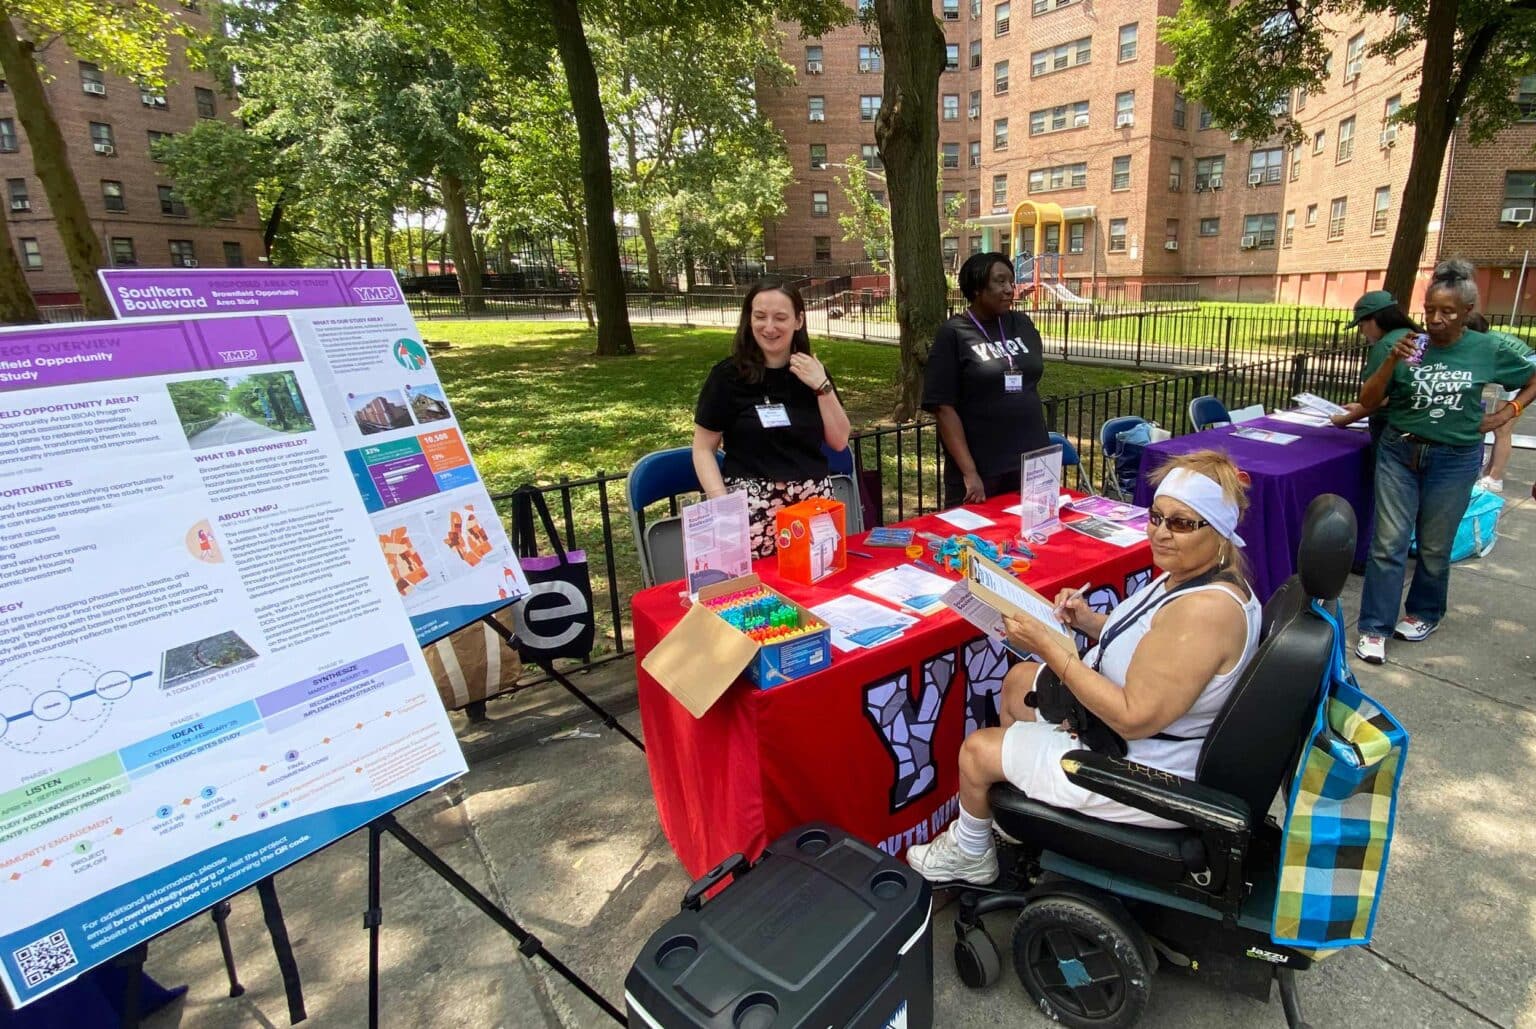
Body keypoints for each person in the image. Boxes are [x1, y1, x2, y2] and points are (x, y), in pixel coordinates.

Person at [906, 450, 1261, 885]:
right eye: (1156, 517)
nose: (1161, 533)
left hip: (1143, 766)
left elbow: (1132, 718)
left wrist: (1049, 648)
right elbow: (1152, 648)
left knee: (978, 751)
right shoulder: (1194, 576)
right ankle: (1028, 815)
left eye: (1183, 523)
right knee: (1018, 683)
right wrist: (1087, 620)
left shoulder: (1204, 612)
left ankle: (971, 853)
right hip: (1132, 734)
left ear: (1220, 532)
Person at [1354, 259, 1536, 665]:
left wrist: (1510, 412)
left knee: (1435, 547)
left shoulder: (1487, 349)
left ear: (1467, 313)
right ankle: (1374, 627)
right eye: (1430, 310)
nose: (1435, 320)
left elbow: (1532, 376)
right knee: (1388, 543)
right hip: (1400, 451)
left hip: (1454, 458)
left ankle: (1424, 612)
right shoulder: (1406, 346)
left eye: (1448, 312)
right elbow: (1368, 402)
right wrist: (1389, 361)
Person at [692, 284, 852, 558]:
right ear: (749, 319)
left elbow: (838, 441)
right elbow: (703, 448)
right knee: (761, 597)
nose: (769, 327)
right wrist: (723, 507)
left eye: (780, 317)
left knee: (821, 591)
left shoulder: (813, 372)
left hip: (812, 506)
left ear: (798, 320)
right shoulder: (727, 377)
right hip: (751, 510)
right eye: (760, 316)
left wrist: (821, 386)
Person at [922, 252, 1048, 506]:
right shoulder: (954, 333)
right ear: (977, 288)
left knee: (1033, 539)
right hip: (984, 468)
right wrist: (969, 473)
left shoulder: (1022, 324)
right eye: (999, 282)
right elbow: (943, 408)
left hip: (1031, 461)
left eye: (1011, 282)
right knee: (977, 542)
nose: (1009, 289)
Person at [1328, 290, 1423, 430]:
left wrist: (1343, 420)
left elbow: (1376, 400)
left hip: (1389, 427)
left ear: (1374, 320)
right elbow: (1400, 390)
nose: (1362, 332)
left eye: (1361, 326)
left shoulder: (1385, 346)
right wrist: (1360, 407)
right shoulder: (1416, 337)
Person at [1464, 312, 1536, 494]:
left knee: (1503, 428)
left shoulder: (1489, 346)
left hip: (1527, 368)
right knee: (1500, 428)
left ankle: (1495, 477)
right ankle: (1489, 471)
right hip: (1525, 365)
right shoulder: (1487, 339)